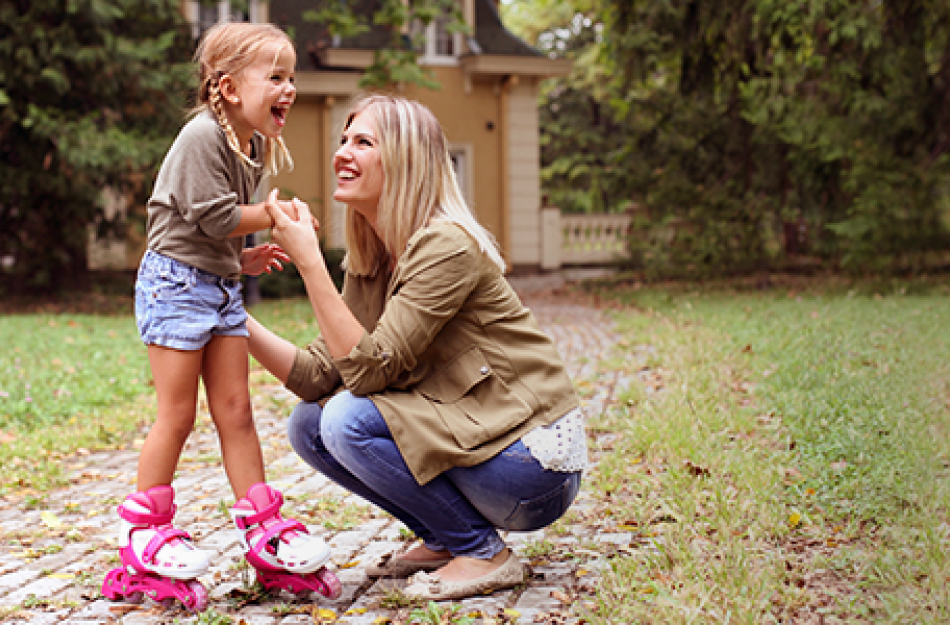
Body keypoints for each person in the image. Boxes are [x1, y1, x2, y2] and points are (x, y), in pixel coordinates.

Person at [247, 94, 588, 601]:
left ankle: (482, 553)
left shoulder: (446, 245)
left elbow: (367, 374)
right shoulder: (373, 257)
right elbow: (321, 372)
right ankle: (444, 537)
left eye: (363, 142)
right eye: (344, 139)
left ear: (405, 161)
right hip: (477, 440)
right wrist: (229, 316)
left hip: (531, 465)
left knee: (346, 419)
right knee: (309, 424)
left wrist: (309, 264)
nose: (343, 151)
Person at [100, 22, 340, 611]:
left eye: (292, 77)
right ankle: (144, 537)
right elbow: (209, 215)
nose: (289, 88)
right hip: (176, 286)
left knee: (237, 410)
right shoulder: (201, 136)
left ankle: (263, 529)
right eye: (276, 77)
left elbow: (214, 228)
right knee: (177, 415)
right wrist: (273, 215)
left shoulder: (251, 144)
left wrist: (243, 255)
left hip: (219, 282)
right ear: (229, 88)